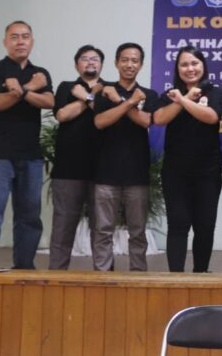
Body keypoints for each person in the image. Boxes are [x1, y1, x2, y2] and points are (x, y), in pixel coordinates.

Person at [0, 20, 54, 270]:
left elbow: (49, 102)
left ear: (32, 41)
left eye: (25, 36)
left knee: (29, 217)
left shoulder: (40, 72)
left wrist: (19, 91)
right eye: (15, 36)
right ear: (5, 42)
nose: (20, 41)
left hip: (31, 155)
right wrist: (30, 88)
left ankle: (24, 268)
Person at [152, 46, 222, 273]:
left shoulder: (215, 92)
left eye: (194, 63)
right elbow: (159, 118)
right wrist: (182, 99)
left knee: (205, 225)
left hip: (208, 171)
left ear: (203, 66)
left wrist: (183, 101)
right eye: (184, 64)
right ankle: (176, 277)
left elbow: (211, 117)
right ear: (177, 69)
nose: (190, 68)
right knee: (178, 223)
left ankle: (201, 274)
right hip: (176, 171)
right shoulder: (169, 94)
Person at [92, 42, 158, 272]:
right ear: (116, 62)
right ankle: (103, 275)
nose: (130, 64)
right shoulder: (104, 91)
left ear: (141, 65)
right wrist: (129, 102)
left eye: (135, 60)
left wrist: (120, 102)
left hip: (137, 173)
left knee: (137, 231)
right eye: (125, 60)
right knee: (103, 230)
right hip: (106, 172)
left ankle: (138, 275)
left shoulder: (148, 94)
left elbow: (145, 121)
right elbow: (100, 122)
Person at [48, 44, 105, 270]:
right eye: (85, 58)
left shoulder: (110, 88)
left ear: (102, 65)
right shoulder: (66, 87)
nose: (90, 62)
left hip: (102, 169)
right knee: (63, 225)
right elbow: (62, 115)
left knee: (101, 228)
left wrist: (87, 97)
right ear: (76, 65)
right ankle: (56, 274)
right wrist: (88, 98)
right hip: (68, 169)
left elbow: (106, 114)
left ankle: (103, 276)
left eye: (95, 59)